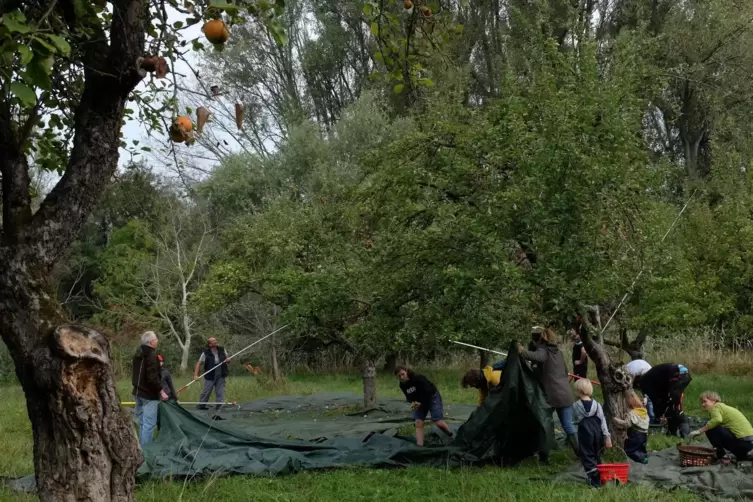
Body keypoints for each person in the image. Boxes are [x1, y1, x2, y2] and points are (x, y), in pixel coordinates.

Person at [519, 327, 578, 455]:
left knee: (543, 424)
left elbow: (537, 356)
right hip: (565, 393)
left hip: (551, 395)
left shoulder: (543, 349)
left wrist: (521, 351)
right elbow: (565, 372)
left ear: (538, 338)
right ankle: (580, 453)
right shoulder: (558, 352)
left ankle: (543, 456)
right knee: (568, 425)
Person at [395, 366, 453, 446]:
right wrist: (413, 403)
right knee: (418, 422)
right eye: (399, 376)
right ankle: (419, 446)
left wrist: (421, 403)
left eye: (402, 374)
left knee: (438, 421)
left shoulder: (418, 378)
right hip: (419, 402)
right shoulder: (402, 385)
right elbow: (408, 396)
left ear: (406, 371)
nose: (402, 377)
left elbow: (428, 392)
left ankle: (450, 434)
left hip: (432, 397)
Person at [690, 391, 753, 461]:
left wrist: (700, 431)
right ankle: (741, 455)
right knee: (714, 426)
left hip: (742, 443)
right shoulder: (723, 408)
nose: (703, 404)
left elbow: (717, 420)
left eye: (705, 401)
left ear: (713, 401)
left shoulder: (715, 407)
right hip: (749, 444)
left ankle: (719, 453)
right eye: (702, 402)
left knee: (710, 428)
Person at [633, 362, 691, 438]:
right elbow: (663, 397)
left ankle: (684, 435)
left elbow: (656, 400)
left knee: (675, 406)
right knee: (672, 404)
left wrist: (659, 415)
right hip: (683, 374)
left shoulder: (645, 383)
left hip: (676, 375)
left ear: (637, 385)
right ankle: (672, 433)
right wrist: (663, 413)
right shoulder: (653, 378)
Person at [572, 378, 612, 487]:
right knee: (597, 454)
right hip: (597, 433)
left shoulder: (576, 406)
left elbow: (575, 420)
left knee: (587, 455)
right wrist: (607, 437)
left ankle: (594, 479)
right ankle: (600, 475)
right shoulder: (597, 405)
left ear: (578, 391)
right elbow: (603, 422)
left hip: (585, 434)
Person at [131, 331, 168, 447]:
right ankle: (146, 451)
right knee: (149, 424)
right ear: (151, 342)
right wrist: (161, 391)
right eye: (156, 339)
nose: (157, 341)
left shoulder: (138, 354)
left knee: (142, 423)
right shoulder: (152, 356)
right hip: (148, 395)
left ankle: (141, 449)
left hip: (137, 392)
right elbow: (152, 378)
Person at [194, 337, 231, 409]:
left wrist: (228, 360)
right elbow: (199, 363)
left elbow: (228, 359)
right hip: (210, 374)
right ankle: (201, 406)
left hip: (221, 372)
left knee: (220, 391)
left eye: (215, 340)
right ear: (210, 344)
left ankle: (220, 406)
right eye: (213, 341)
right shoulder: (206, 352)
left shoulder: (222, 349)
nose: (215, 341)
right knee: (206, 392)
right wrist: (196, 375)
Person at [613, 392, 649, 463]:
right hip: (644, 435)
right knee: (640, 449)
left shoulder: (632, 413)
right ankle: (644, 458)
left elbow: (627, 424)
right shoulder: (643, 411)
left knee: (629, 450)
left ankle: (641, 459)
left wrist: (616, 420)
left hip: (636, 435)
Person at [624, 358, 655, 422]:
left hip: (639, 372)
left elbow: (648, 388)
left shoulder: (650, 374)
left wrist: (645, 397)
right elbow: (629, 388)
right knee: (627, 397)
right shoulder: (630, 372)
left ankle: (651, 418)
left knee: (649, 398)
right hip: (627, 376)